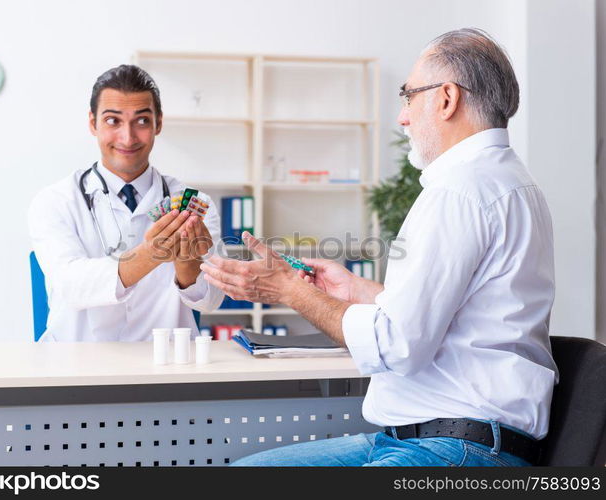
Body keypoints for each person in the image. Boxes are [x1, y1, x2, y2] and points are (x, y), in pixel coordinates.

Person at [201, 28, 557, 466]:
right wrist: (355, 291)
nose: (403, 117)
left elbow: (398, 346)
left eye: (408, 96)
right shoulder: (510, 182)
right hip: (431, 437)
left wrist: (290, 291)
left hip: (456, 447)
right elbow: (454, 312)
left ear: (446, 99)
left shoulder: (460, 191)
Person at [28, 65, 223, 342]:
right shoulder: (55, 201)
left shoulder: (195, 204)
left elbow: (210, 301)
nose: (128, 137)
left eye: (142, 121)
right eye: (113, 121)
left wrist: (187, 261)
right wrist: (150, 254)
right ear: (93, 123)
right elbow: (70, 285)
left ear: (159, 123)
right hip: (78, 367)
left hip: (167, 366)